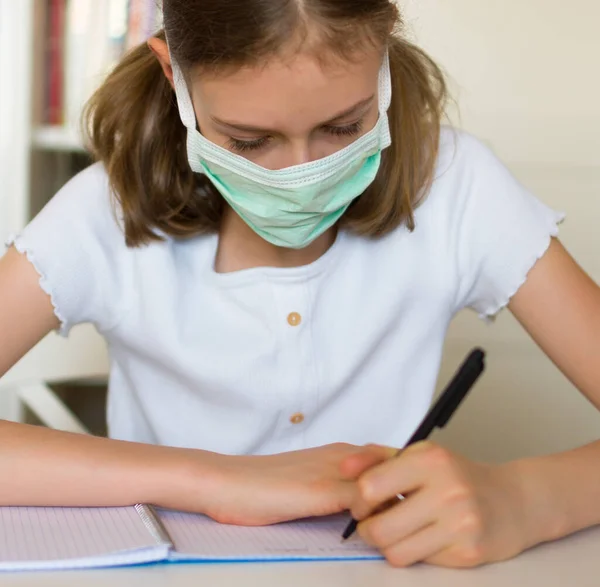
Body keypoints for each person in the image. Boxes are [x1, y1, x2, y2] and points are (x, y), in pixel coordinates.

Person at [0, 0, 598, 569]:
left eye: (344, 126)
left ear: (383, 59)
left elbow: (525, 501)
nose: (300, 178)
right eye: (248, 141)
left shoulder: (457, 187)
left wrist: (526, 498)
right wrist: (215, 479)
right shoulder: (105, 212)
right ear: (173, 75)